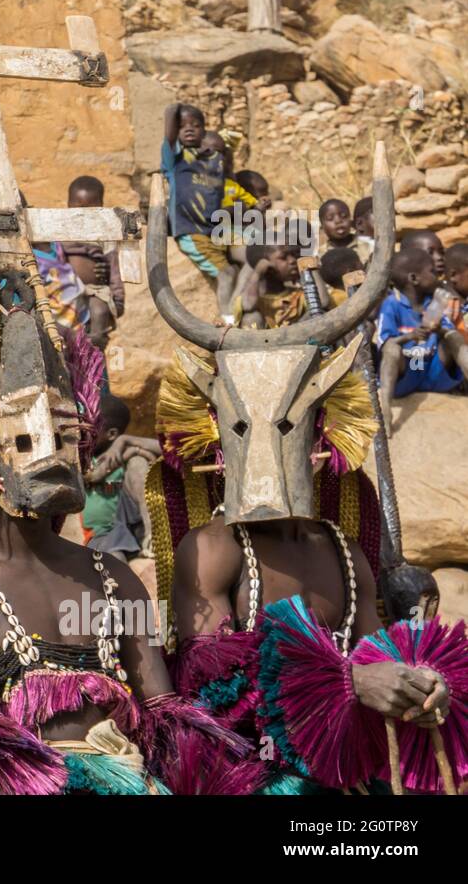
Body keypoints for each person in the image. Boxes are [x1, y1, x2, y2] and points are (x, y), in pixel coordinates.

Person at [145, 162, 464, 794]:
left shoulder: (345, 553)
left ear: (321, 430)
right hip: (255, 778)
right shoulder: (208, 551)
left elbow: (379, 660)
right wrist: (351, 681)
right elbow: (210, 692)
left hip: (350, 774)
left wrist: (414, 682)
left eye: (289, 424)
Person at [0, 280, 243, 794]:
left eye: (68, 438)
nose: (57, 457)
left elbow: (163, 719)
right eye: (28, 439)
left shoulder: (114, 578)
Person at [376, 246, 467, 431]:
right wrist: (410, 335)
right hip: (408, 373)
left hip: (432, 371)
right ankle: (385, 407)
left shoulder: (435, 301)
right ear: (414, 278)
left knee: (454, 338)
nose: (438, 276)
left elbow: (449, 333)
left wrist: (439, 328)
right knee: (391, 349)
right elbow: (384, 342)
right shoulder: (391, 305)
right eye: (432, 272)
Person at [83, 392, 160, 559]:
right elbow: (93, 476)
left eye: (91, 425)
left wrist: (126, 441)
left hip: (133, 526)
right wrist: (129, 451)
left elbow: (170, 451)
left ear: (111, 434)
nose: (84, 428)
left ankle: (153, 536)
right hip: (103, 534)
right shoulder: (83, 457)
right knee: (115, 559)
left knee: (138, 463)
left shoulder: (121, 451)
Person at [160, 105, 225, 281]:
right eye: (182, 126)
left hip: (216, 230)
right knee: (227, 274)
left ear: (204, 130)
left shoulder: (214, 161)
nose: (188, 128)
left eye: (195, 125)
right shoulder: (175, 160)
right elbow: (170, 124)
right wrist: (175, 107)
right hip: (191, 232)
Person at [60, 175, 125, 348]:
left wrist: (118, 300)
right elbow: (55, 261)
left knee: (99, 312)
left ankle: (95, 358)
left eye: (91, 209)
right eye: (78, 208)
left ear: (101, 207)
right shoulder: (59, 233)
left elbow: (114, 269)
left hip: (96, 291)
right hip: (68, 291)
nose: (84, 215)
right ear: (68, 205)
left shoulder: (105, 235)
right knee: (66, 323)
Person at [237, 242, 307, 328]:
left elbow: (324, 302)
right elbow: (248, 306)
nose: (292, 260)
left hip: (297, 338)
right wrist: (257, 272)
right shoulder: (254, 300)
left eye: (293, 255)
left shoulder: (299, 295)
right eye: (283, 257)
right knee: (251, 317)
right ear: (265, 265)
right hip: (263, 340)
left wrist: (307, 266)